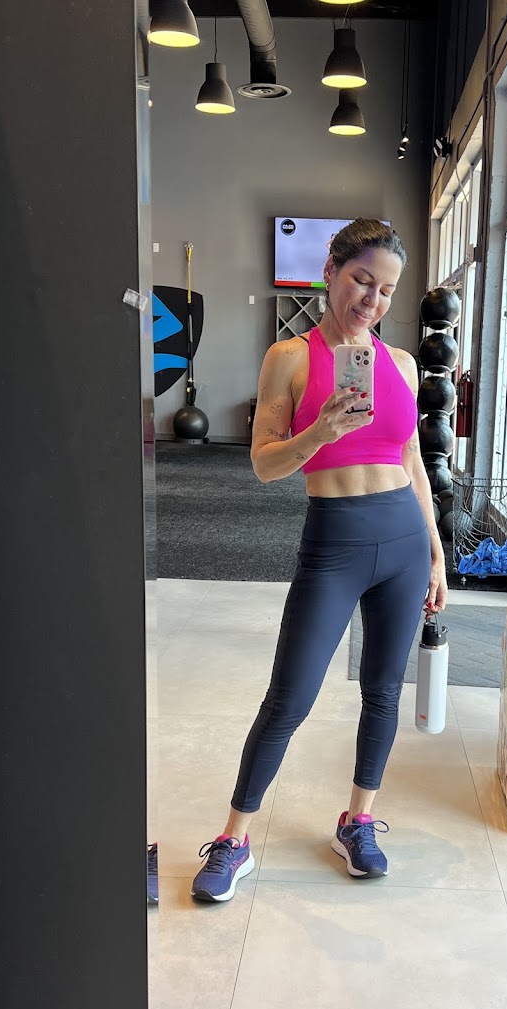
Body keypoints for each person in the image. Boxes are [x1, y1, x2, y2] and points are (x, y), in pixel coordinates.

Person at [191, 218, 448, 903]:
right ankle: (234, 839)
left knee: (383, 691)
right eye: (362, 280)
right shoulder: (290, 356)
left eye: (386, 290)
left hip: (402, 541)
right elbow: (263, 463)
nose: (373, 299)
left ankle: (358, 821)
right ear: (330, 272)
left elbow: (414, 464)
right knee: (290, 697)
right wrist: (320, 432)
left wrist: (435, 554)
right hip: (333, 542)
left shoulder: (401, 365)